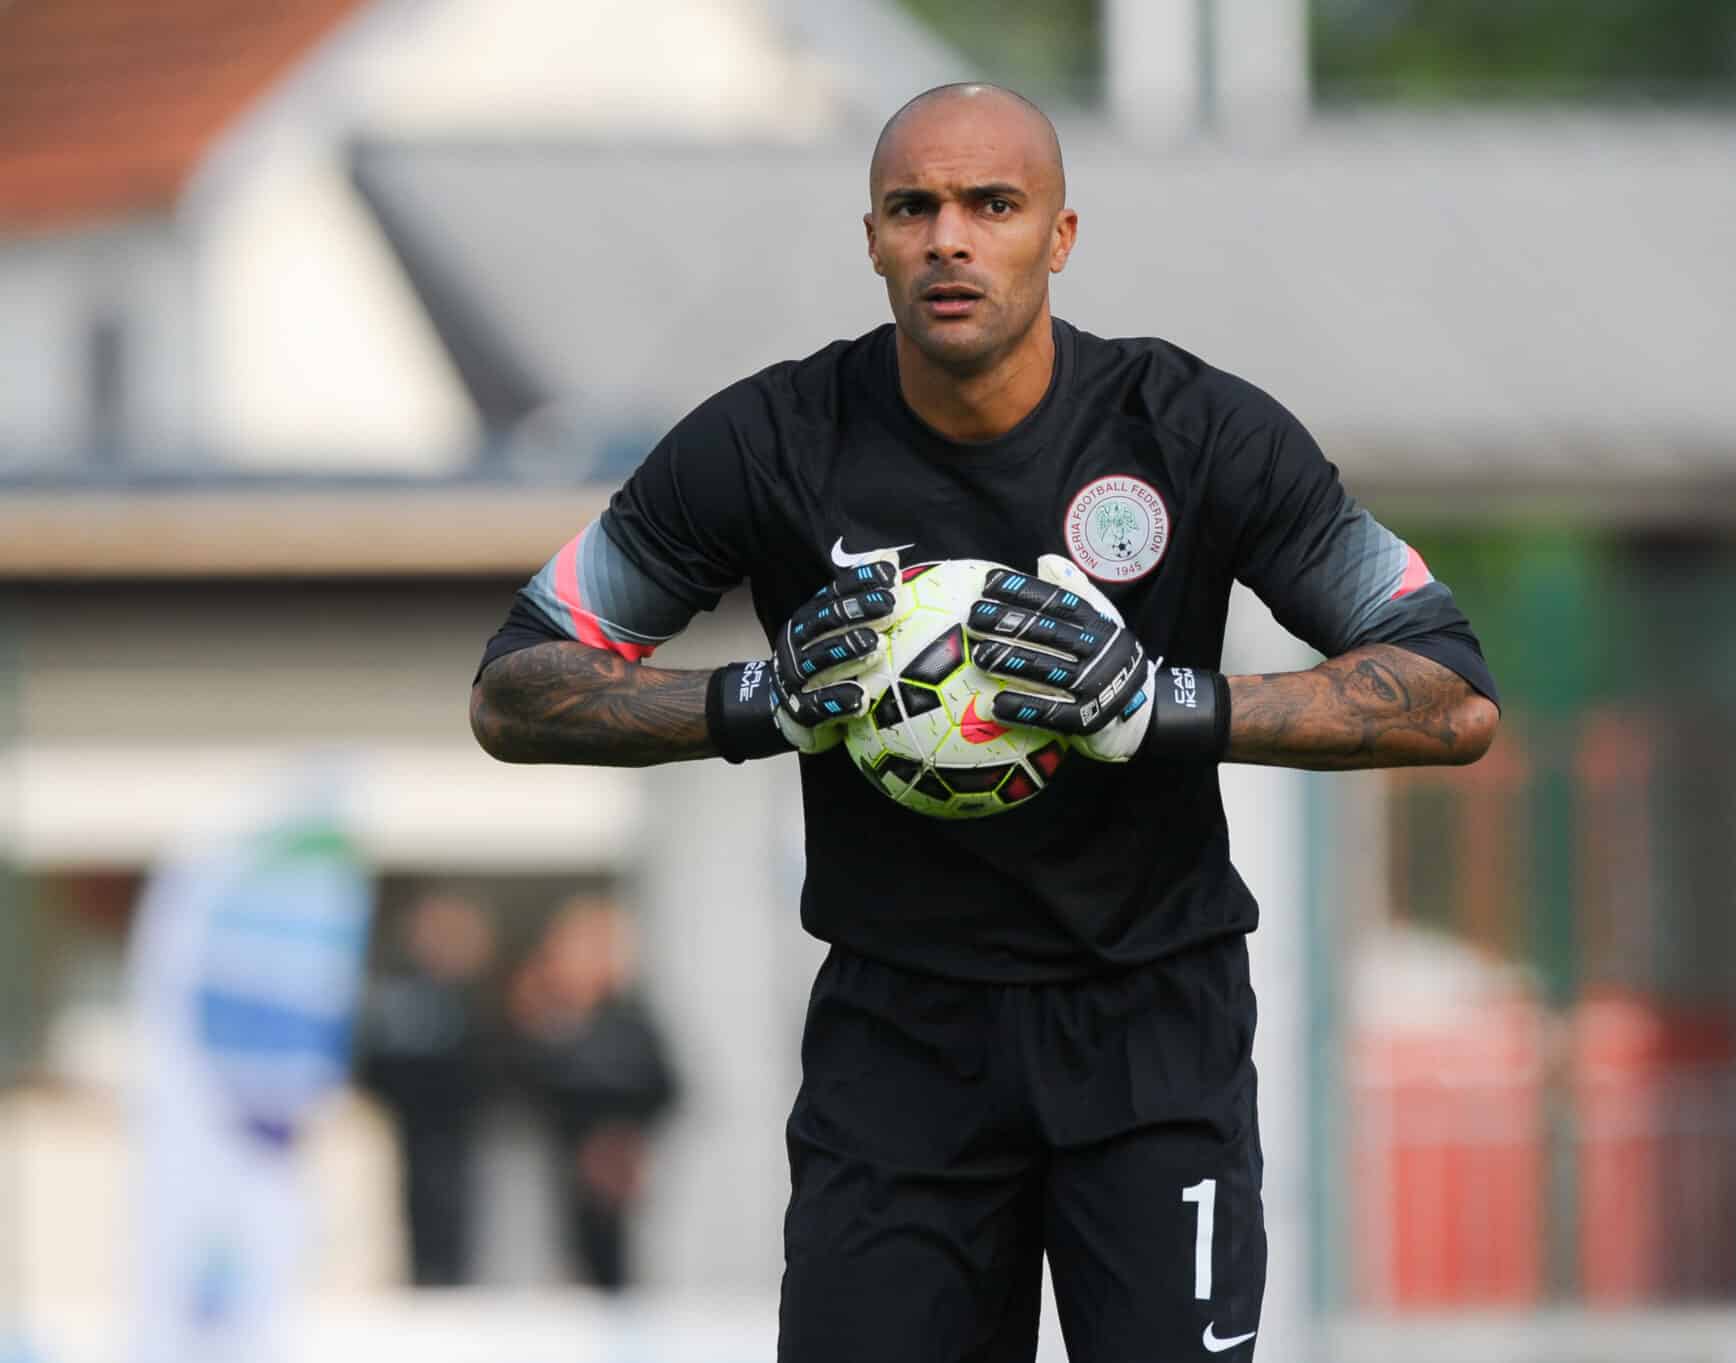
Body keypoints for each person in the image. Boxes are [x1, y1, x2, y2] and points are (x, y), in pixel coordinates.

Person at [471, 83, 1499, 1361]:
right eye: (913, 208)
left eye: (991, 205)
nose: (947, 239)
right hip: (899, 1041)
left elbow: (1448, 691)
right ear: (871, 239)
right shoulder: (768, 441)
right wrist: (751, 701)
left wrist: (1160, 706)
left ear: (1059, 236)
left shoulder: (1192, 432)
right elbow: (515, 685)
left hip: (1148, 1024)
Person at [505, 894, 680, 1292]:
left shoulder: (631, 1019)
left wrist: (623, 1138)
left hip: (620, 1174)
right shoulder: (543, 1018)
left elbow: (665, 1086)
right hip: (555, 1170)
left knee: (613, 1266)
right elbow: (523, 1090)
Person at [356, 891, 498, 1287]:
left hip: (454, 1134)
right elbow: (374, 1060)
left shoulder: (470, 999)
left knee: (451, 1222)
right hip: (400, 1128)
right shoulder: (395, 994)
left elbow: (488, 1067)